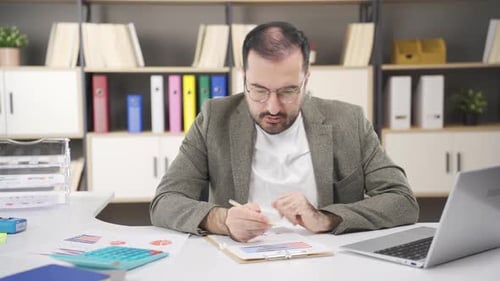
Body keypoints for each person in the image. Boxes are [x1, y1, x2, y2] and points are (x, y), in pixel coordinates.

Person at [150, 21, 419, 242]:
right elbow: (164, 202)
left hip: (331, 265)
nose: (273, 107)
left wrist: (325, 217)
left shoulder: (349, 120)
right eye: (259, 90)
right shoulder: (214, 118)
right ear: (243, 77)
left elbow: (402, 201)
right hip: (238, 264)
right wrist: (223, 220)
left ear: (306, 79)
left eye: (288, 91)